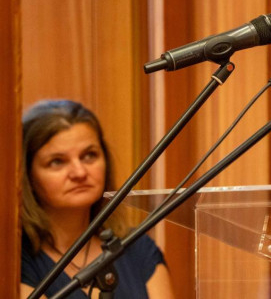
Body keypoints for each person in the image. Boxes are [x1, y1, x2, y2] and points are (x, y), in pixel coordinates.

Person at [20, 100, 175, 298]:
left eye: (89, 155)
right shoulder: (15, 261)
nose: (79, 172)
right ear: (28, 175)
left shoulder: (138, 248)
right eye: (57, 161)